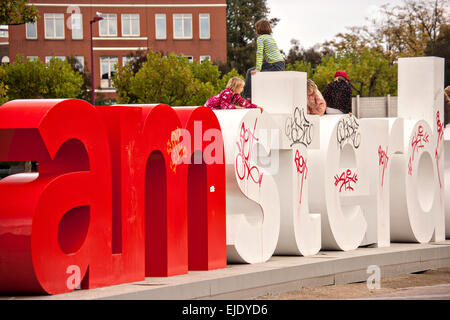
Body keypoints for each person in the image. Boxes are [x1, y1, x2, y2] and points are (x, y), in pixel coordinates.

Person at [243, 19, 285, 101]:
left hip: (274, 65)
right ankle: (250, 96)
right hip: (280, 63)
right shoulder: (270, 37)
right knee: (251, 71)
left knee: (250, 72)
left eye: (256, 29)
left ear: (259, 29)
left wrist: (258, 69)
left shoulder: (261, 38)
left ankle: (248, 97)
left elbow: (259, 54)